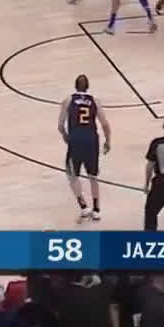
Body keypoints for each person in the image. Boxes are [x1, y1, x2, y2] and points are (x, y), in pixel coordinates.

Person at [57, 74, 111, 221]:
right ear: (87, 87)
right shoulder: (95, 100)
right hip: (91, 140)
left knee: (72, 175)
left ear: (75, 86)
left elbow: (60, 125)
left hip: (76, 140)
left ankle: (83, 206)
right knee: (93, 176)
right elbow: (105, 124)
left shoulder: (68, 100)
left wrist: (65, 135)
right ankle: (97, 209)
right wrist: (108, 141)